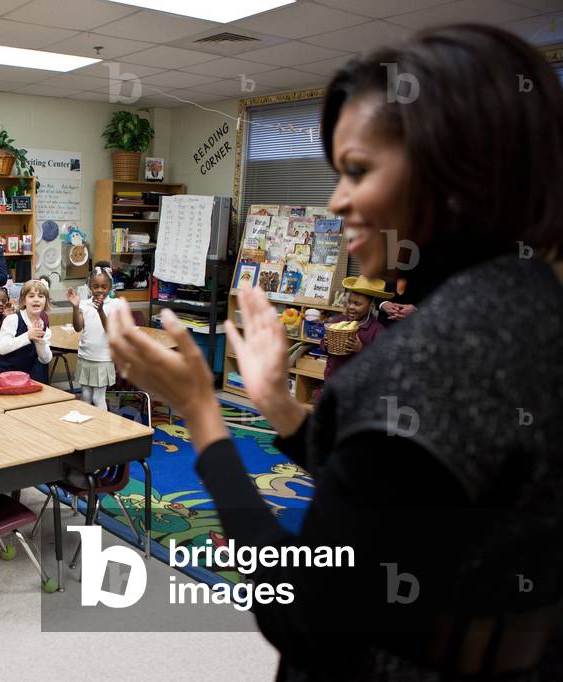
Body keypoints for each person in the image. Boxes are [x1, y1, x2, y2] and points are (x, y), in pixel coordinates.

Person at [108, 24, 563, 680]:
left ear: (455, 168)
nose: (335, 200)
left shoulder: (428, 359)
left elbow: (304, 616)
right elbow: (394, 490)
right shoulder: (527, 307)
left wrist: (201, 414)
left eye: (357, 170)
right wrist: (275, 405)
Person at [67, 263, 121, 409]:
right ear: (90, 287)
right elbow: (78, 328)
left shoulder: (115, 304)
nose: (99, 290)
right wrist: (75, 308)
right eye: (95, 286)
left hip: (103, 359)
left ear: (110, 287)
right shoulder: (84, 304)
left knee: (98, 398)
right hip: (85, 357)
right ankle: (88, 429)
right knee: (85, 397)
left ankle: (102, 429)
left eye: (104, 287)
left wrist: (101, 311)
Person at [0, 278, 51, 383]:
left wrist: (39, 342)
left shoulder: (45, 328)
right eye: (31, 296)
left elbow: (45, 359)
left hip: (19, 380)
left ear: (46, 301)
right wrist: (28, 336)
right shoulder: (13, 319)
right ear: (24, 301)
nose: (36, 299)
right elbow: (2, 348)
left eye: (41, 296)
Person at [319, 276, 389, 381]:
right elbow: (323, 347)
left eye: (357, 304)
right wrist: (326, 343)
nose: (351, 307)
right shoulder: (338, 321)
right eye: (349, 302)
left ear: (372, 306)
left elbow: (382, 363)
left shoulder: (377, 330)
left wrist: (361, 349)